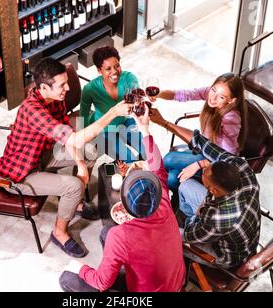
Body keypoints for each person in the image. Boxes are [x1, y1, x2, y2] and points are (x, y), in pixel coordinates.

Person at [0, 58, 132, 258]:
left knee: (92, 151)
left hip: (41, 155)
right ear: (44, 87)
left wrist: (81, 165)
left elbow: (69, 137)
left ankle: (74, 202)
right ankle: (59, 232)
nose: (67, 88)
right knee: (74, 186)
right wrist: (113, 112)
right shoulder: (32, 110)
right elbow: (76, 139)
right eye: (62, 85)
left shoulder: (54, 100)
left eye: (67, 82)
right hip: (21, 174)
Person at [58, 105, 186, 292]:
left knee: (68, 278)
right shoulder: (164, 202)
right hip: (175, 283)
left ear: (124, 206)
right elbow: (157, 168)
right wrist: (144, 129)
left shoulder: (121, 237)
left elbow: (102, 283)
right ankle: (122, 264)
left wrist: (80, 268)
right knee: (105, 234)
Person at [150, 109, 260, 268]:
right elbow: (204, 144)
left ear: (214, 191)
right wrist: (163, 122)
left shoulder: (217, 219)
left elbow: (189, 235)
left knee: (164, 236)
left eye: (204, 174)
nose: (205, 166)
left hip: (226, 255)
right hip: (229, 222)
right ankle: (185, 217)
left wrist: (198, 214)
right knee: (185, 185)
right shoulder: (241, 167)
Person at [154, 73, 247, 193]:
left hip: (215, 162)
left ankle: (189, 194)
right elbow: (185, 94)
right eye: (213, 90)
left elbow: (228, 157)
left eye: (221, 97)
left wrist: (199, 164)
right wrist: (159, 94)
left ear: (231, 100)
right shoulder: (211, 93)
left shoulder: (231, 118)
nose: (213, 98)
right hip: (203, 149)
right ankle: (176, 196)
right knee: (172, 177)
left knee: (169, 160)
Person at [80, 46, 145, 163]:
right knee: (129, 159)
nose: (114, 71)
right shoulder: (89, 89)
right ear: (99, 70)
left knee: (147, 151)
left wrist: (139, 98)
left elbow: (136, 91)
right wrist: (87, 138)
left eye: (117, 66)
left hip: (124, 122)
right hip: (104, 130)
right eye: (108, 68)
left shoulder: (128, 77)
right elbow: (83, 115)